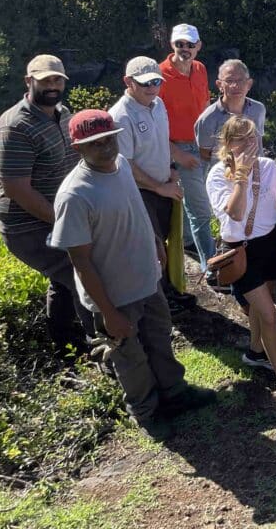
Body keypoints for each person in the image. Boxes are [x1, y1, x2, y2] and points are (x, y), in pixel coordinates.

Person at [50, 110, 215, 430]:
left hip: (147, 280)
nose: (106, 147)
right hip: (115, 295)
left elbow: (137, 209)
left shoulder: (123, 165)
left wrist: (155, 243)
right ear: (77, 148)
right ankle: (146, 413)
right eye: (95, 143)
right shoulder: (74, 195)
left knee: (159, 338)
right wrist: (108, 312)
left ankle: (175, 393)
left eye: (109, 138)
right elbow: (80, 262)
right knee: (129, 357)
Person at [0, 54, 94, 357]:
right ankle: (104, 345)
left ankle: (66, 346)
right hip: (27, 226)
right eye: (45, 80)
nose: (52, 85)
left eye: (57, 79)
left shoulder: (62, 114)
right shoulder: (14, 127)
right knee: (82, 272)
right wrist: (65, 221)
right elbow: (17, 189)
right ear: (29, 81)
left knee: (63, 280)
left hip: (58, 213)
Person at [206, 116, 276, 406]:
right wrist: (240, 176)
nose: (249, 144)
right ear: (227, 143)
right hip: (241, 250)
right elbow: (235, 213)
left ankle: (255, 352)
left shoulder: (268, 166)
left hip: (269, 244)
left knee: (263, 306)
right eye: (241, 139)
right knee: (270, 316)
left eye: (253, 137)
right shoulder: (217, 175)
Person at [108, 57, 190, 312]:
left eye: (156, 81)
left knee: (164, 241)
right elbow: (126, 164)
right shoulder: (120, 116)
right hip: (140, 193)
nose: (152, 87)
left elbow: (161, 141)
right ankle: (159, 303)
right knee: (152, 250)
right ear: (128, 82)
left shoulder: (158, 104)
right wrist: (159, 186)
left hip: (162, 186)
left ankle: (167, 291)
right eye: (145, 83)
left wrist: (170, 169)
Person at [157, 24, 216, 275]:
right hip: (179, 148)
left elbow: (206, 105)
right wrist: (177, 154)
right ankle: (212, 267)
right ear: (172, 45)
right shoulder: (159, 75)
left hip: (203, 144)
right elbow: (154, 123)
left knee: (196, 201)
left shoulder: (200, 69)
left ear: (198, 46)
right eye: (180, 44)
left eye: (190, 45)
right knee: (201, 209)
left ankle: (188, 242)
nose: (185, 49)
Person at [195, 59, 266, 165]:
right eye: (229, 81)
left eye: (240, 80)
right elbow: (204, 154)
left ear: (249, 84)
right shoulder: (208, 118)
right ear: (219, 85)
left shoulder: (258, 109)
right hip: (224, 172)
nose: (235, 85)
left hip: (256, 170)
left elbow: (259, 142)